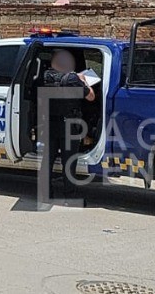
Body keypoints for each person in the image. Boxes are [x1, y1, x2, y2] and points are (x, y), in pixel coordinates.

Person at [42, 48, 95, 198]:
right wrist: (84, 80)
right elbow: (91, 97)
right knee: (69, 163)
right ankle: (69, 194)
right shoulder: (73, 79)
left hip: (51, 124)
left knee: (48, 161)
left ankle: (46, 193)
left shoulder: (46, 76)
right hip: (69, 126)